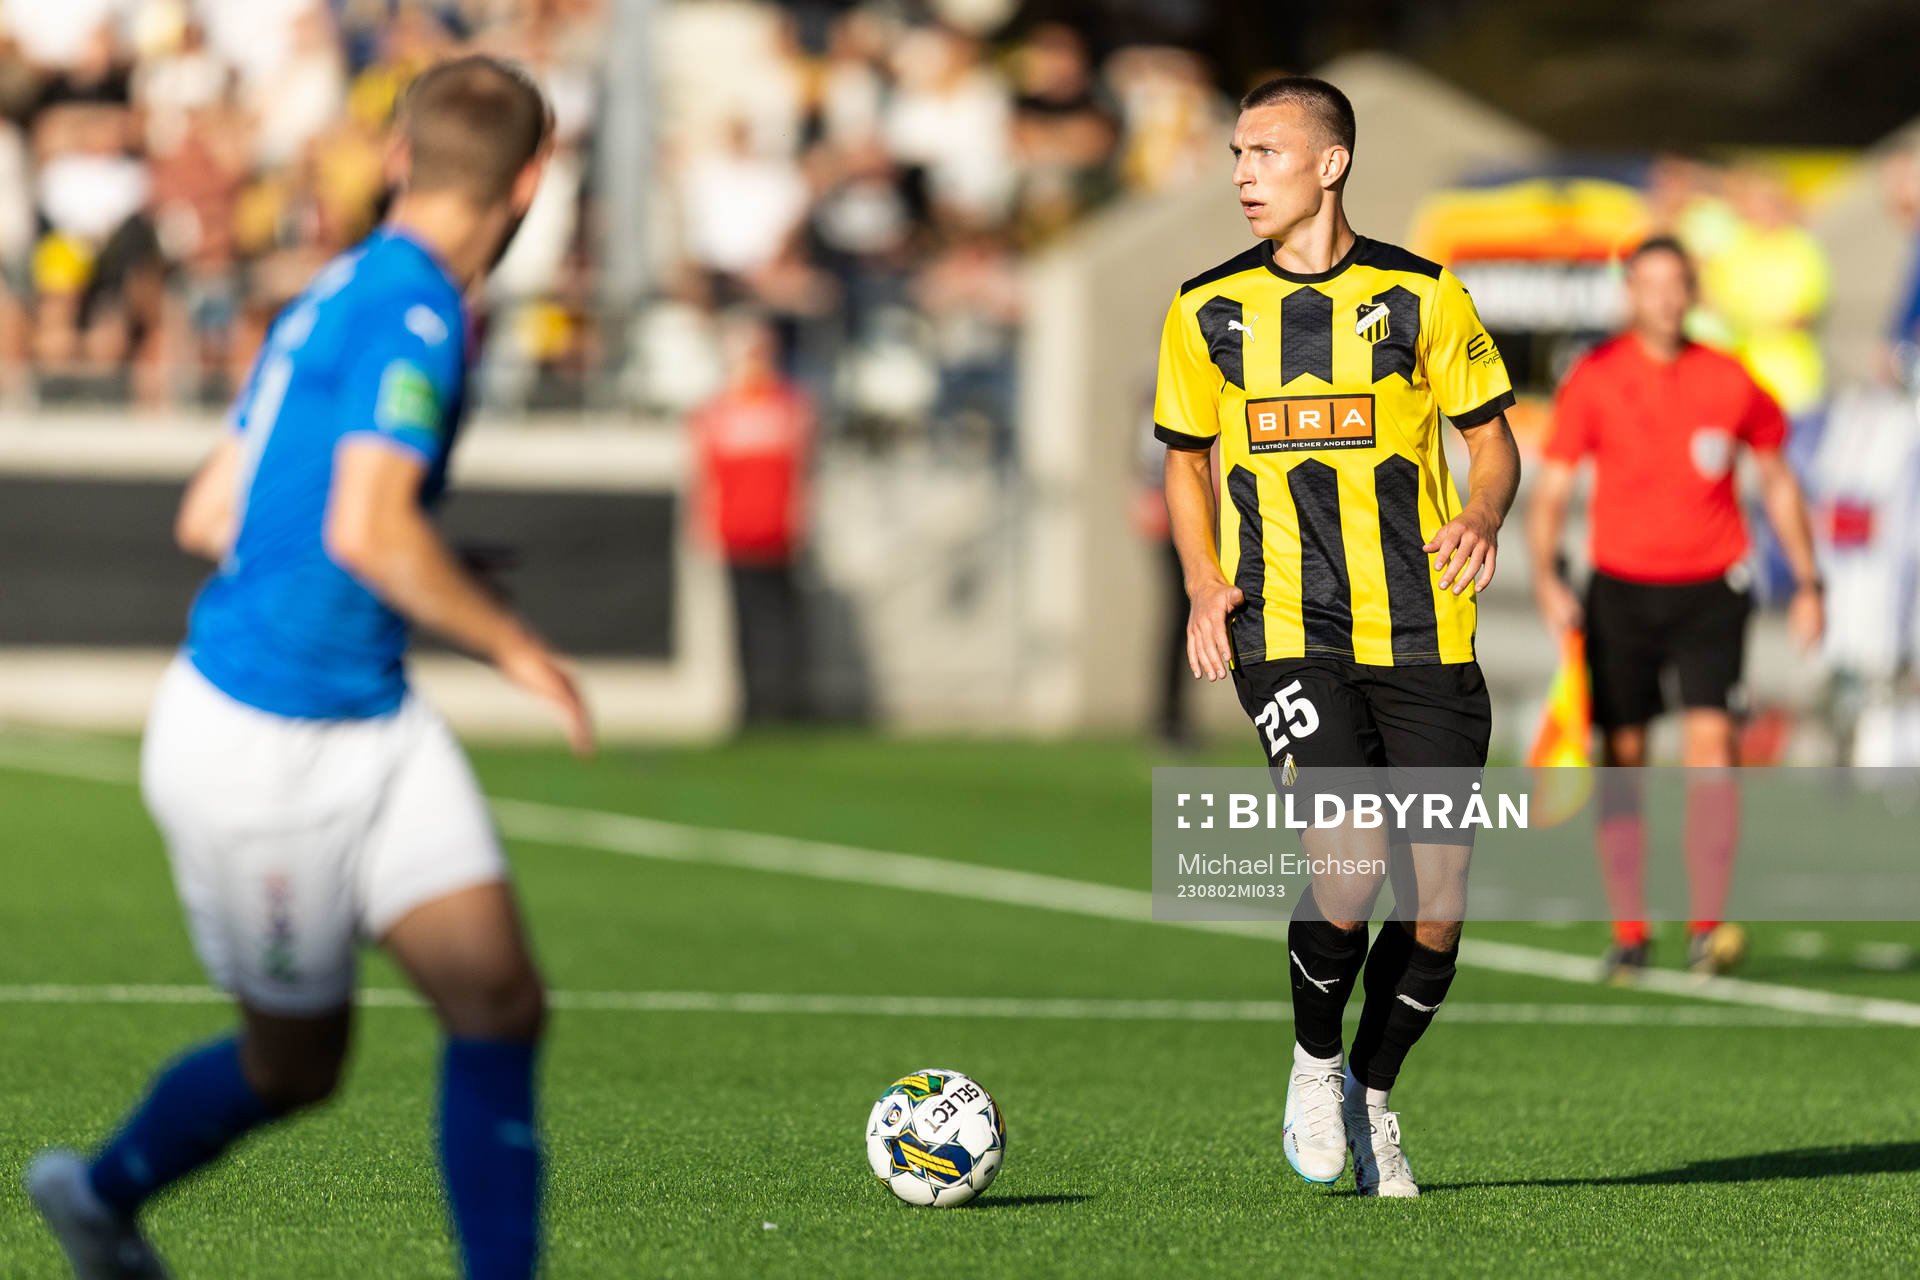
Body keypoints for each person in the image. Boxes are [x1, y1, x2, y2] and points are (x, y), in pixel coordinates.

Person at [25, 56, 591, 1280]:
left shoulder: (338, 288)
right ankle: (100, 1194)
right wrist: (513, 643)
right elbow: (365, 529)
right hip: (261, 740)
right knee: (296, 1064)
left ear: (398, 160)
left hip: (371, 720)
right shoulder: (422, 312)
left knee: (500, 1004)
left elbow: (212, 509)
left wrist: (415, 554)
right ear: (536, 176)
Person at [1157, 76, 1520, 1198]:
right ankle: (1315, 1064)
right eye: (1235, 152)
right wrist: (1202, 576)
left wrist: (1481, 509)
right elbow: (1186, 456)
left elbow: (1493, 440)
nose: (1241, 172)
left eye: (1264, 151)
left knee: (1440, 906)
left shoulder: (1422, 296)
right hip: (1283, 626)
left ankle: (1372, 1091)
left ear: (1332, 162)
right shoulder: (1204, 309)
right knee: (1352, 854)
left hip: (1422, 628)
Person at [1525, 236, 1823, 983]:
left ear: (1693, 292)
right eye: (1648, 284)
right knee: (1624, 760)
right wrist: (1547, 577)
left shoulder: (1731, 380)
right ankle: (1630, 930)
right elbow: (1554, 490)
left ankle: (1706, 927)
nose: (1663, 297)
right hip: (1620, 591)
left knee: (1712, 752)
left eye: (1676, 284)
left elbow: (1779, 481)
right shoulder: (1595, 379)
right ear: (1629, 292)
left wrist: (1812, 583)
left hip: (1712, 590)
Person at [691, 313, 814, 725]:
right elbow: (706, 476)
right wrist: (704, 523)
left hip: (777, 530)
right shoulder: (718, 409)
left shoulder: (790, 404)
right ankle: (752, 704)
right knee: (744, 622)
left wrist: (800, 519)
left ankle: (786, 702)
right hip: (737, 531)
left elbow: (802, 472)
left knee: (781, 621)